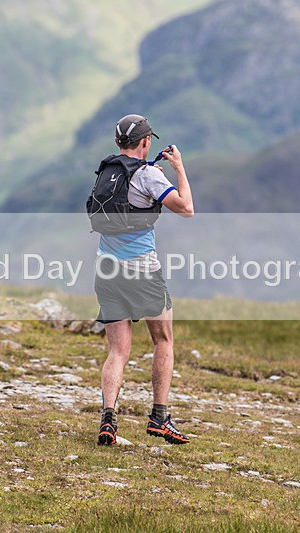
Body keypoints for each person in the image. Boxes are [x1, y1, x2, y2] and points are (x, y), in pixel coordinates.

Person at [91, 114, 194, 446]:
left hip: (106, 268)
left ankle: (108, 419)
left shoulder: (108, 171)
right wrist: (178, 168)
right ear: (147, 142)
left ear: (118, 143)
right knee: (163, 340)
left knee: (118, 350)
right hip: (141, 270)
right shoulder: (150, 175)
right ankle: (159, 418)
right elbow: (186, 209)